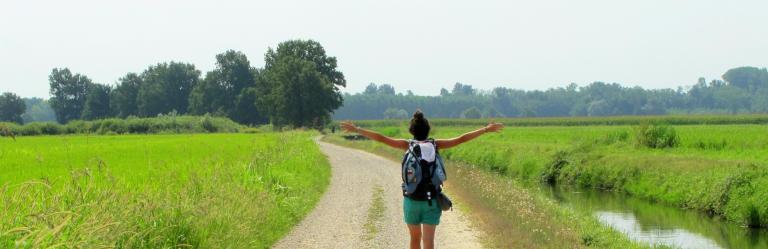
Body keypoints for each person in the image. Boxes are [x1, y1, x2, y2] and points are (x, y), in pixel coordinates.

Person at [340, 110, 503, 249]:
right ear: (428, 130)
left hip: (411, 200)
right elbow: (461, 139)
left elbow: (381, 138)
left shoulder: (407, 145)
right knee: (429, 242)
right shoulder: (436, 145)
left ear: (412, 131)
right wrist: (485, 129)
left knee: (414, 239)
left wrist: (357, 129)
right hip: (432, 201)